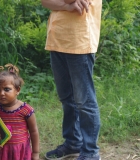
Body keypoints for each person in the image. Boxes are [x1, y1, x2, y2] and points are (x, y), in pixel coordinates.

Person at [41, 0, 102, 160]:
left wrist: (60, 3)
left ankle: (90, 152)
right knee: (67, 99)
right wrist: (67, 6)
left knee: (85, 102)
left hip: (80, 41)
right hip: (57, 39)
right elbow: (45, 1)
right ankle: (73, 144)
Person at [0, 64, 39, 160]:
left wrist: (35, 152)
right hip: (2, 151)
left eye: (6, 89)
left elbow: (34, 131)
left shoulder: (26, 110)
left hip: (21, 151)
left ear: (17, 90)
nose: (1, 93)